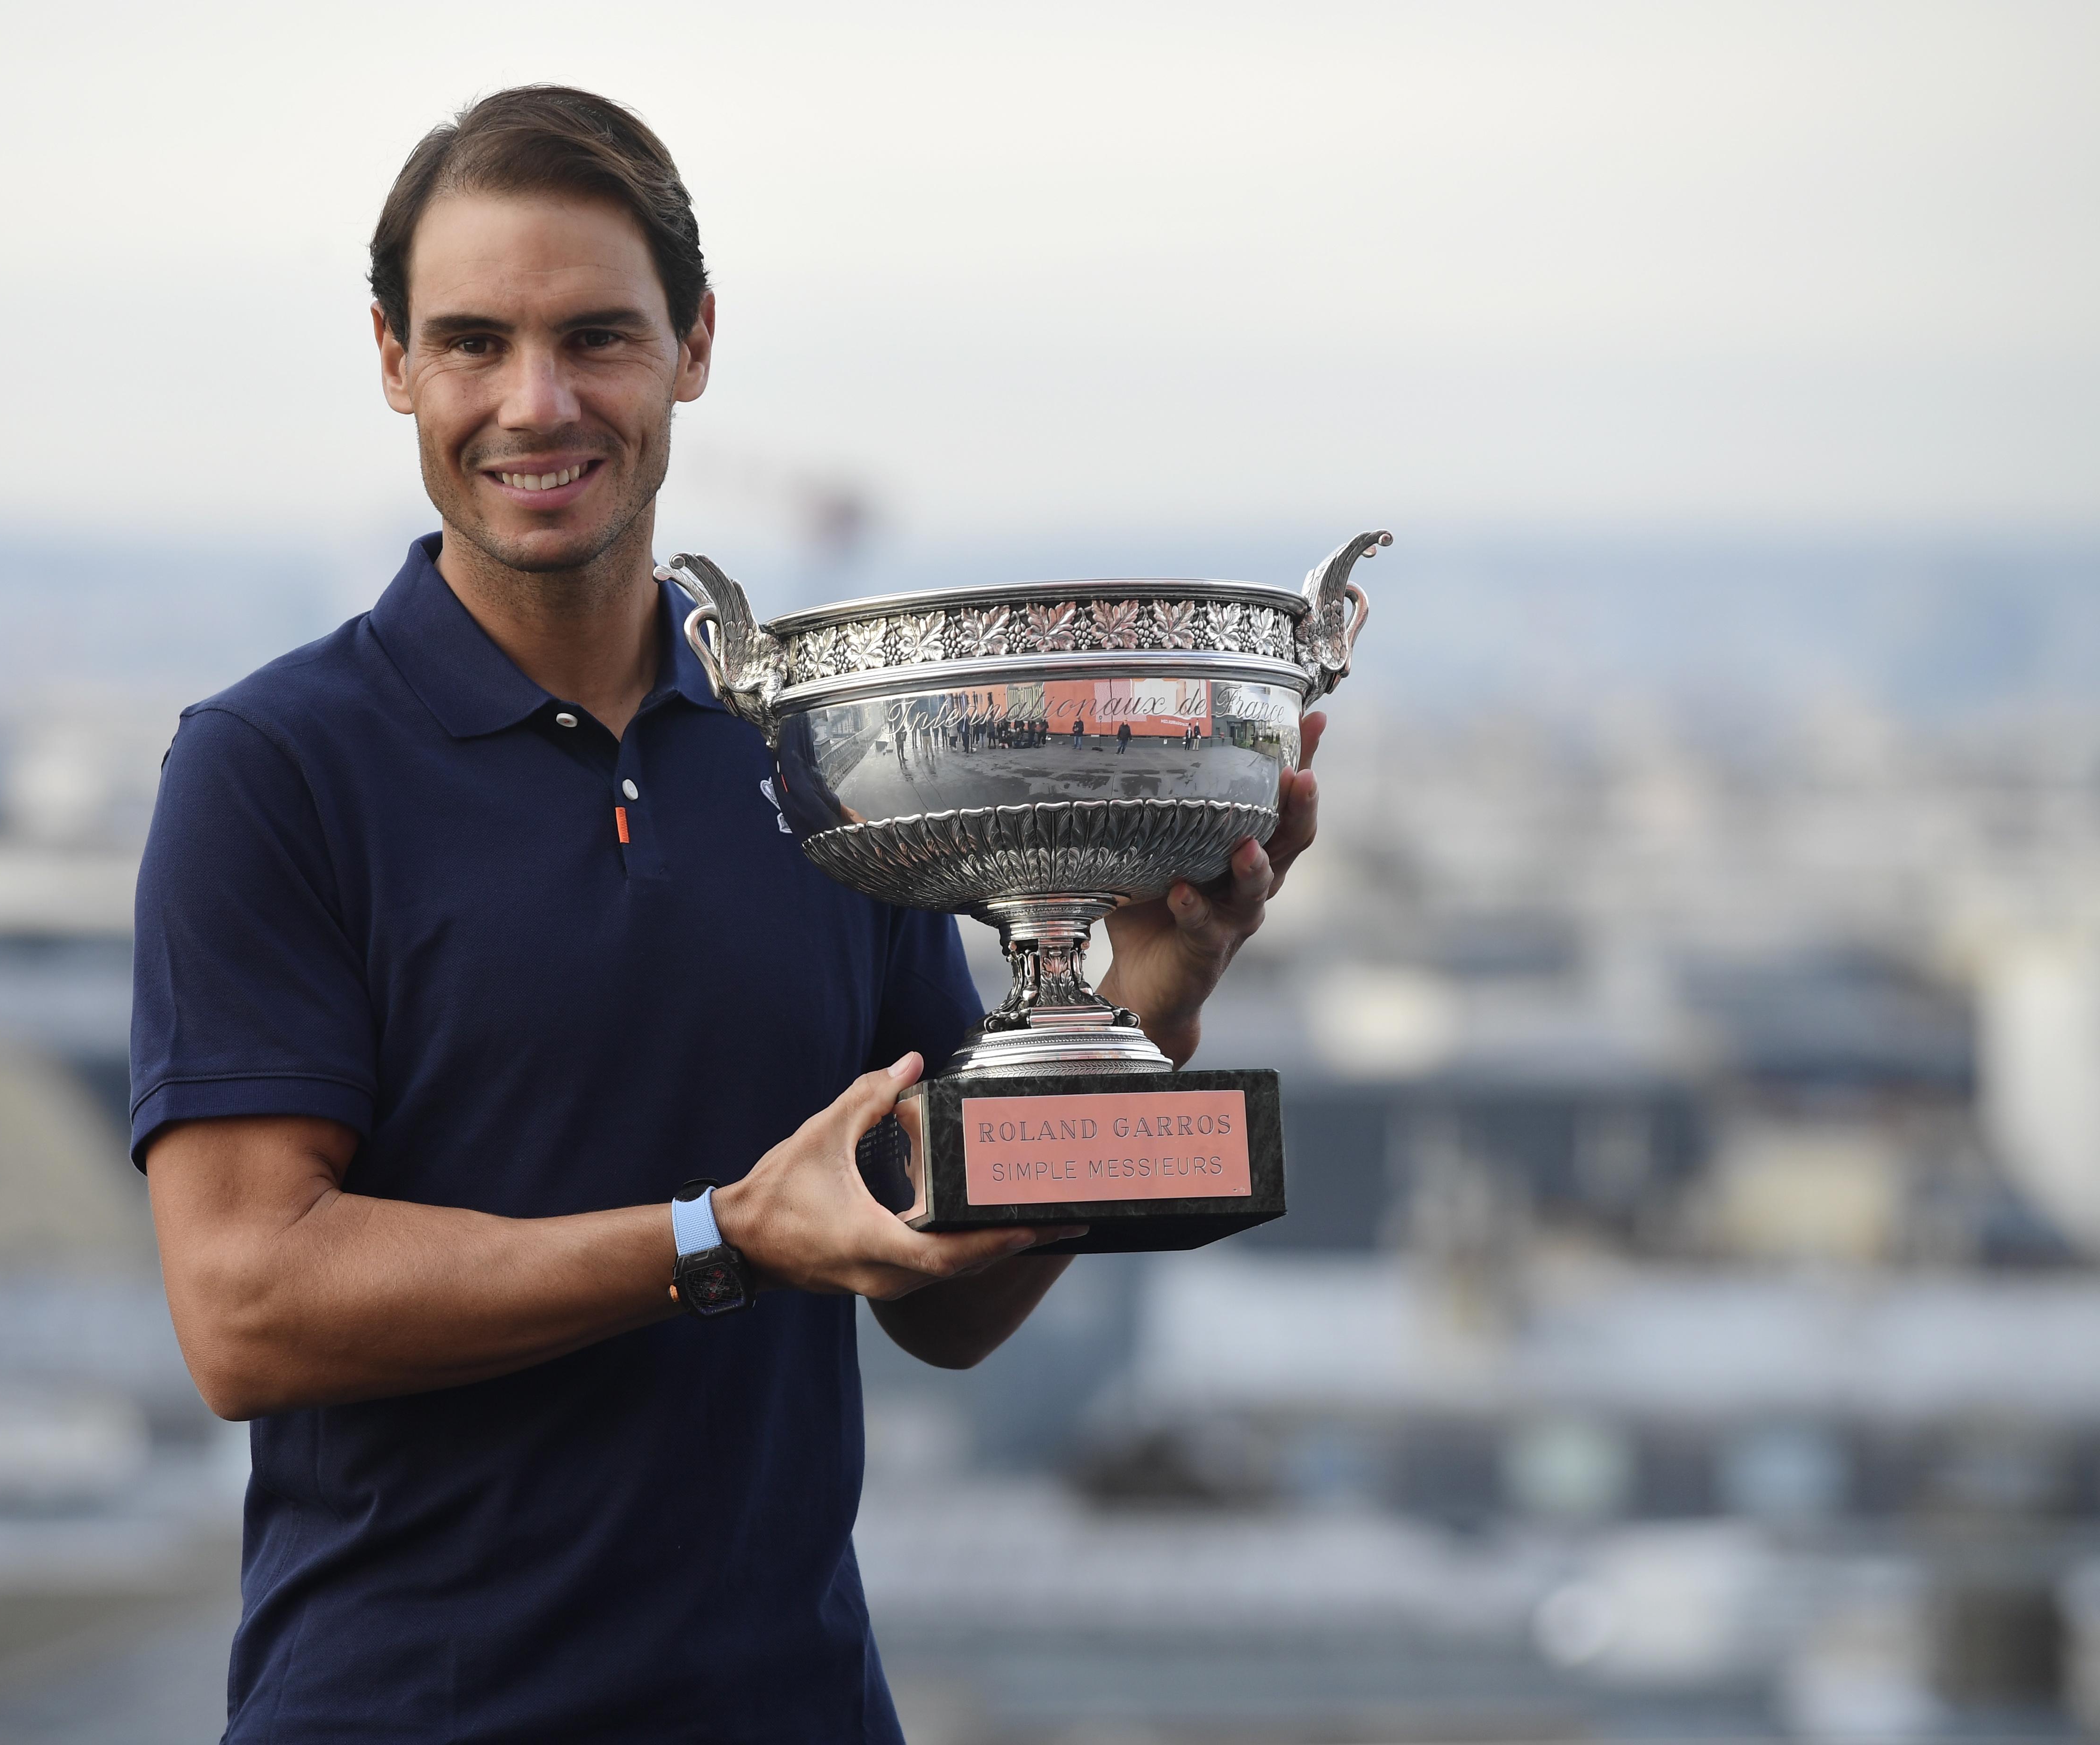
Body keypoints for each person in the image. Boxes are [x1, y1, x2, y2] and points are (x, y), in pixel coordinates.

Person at [134, 84, 1325, 1744]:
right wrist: (714, 1241)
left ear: (695, 346)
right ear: (393, 362)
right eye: (473, 342)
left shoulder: (827, 763)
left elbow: (947, 1294)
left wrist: (1139, 1007)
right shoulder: (272, 770)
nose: (534, 403)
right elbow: (248, 1309)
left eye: (597, 339)